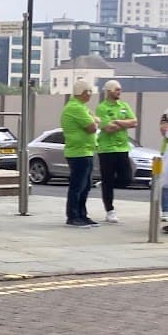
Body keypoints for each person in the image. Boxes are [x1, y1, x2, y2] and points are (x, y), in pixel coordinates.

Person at [95, 80, 137, 224]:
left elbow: (134, 122)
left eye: (120, 89)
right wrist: (124, 123)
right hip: (106, 149)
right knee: (108, 179)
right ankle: (110, 210)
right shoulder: (102, 108)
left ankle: (106, 184)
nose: (119, 92)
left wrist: (118, 122)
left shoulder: (124, 106)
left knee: (127, 178)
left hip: (122, 148)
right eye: (116, 89)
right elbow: (107, 128)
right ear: (109, 91)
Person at [61, 79, 98, 228]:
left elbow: (95, 120)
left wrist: (94, 119)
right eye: (89, 92)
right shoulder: (75, 108)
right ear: (83, 92)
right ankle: (73, 216)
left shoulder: (81, 107)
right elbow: (92, 127)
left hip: (85, 151)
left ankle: (82, 214)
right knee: (78, 185)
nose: (90, 95)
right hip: (78, 152)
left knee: (86, 185)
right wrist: (95, 120)